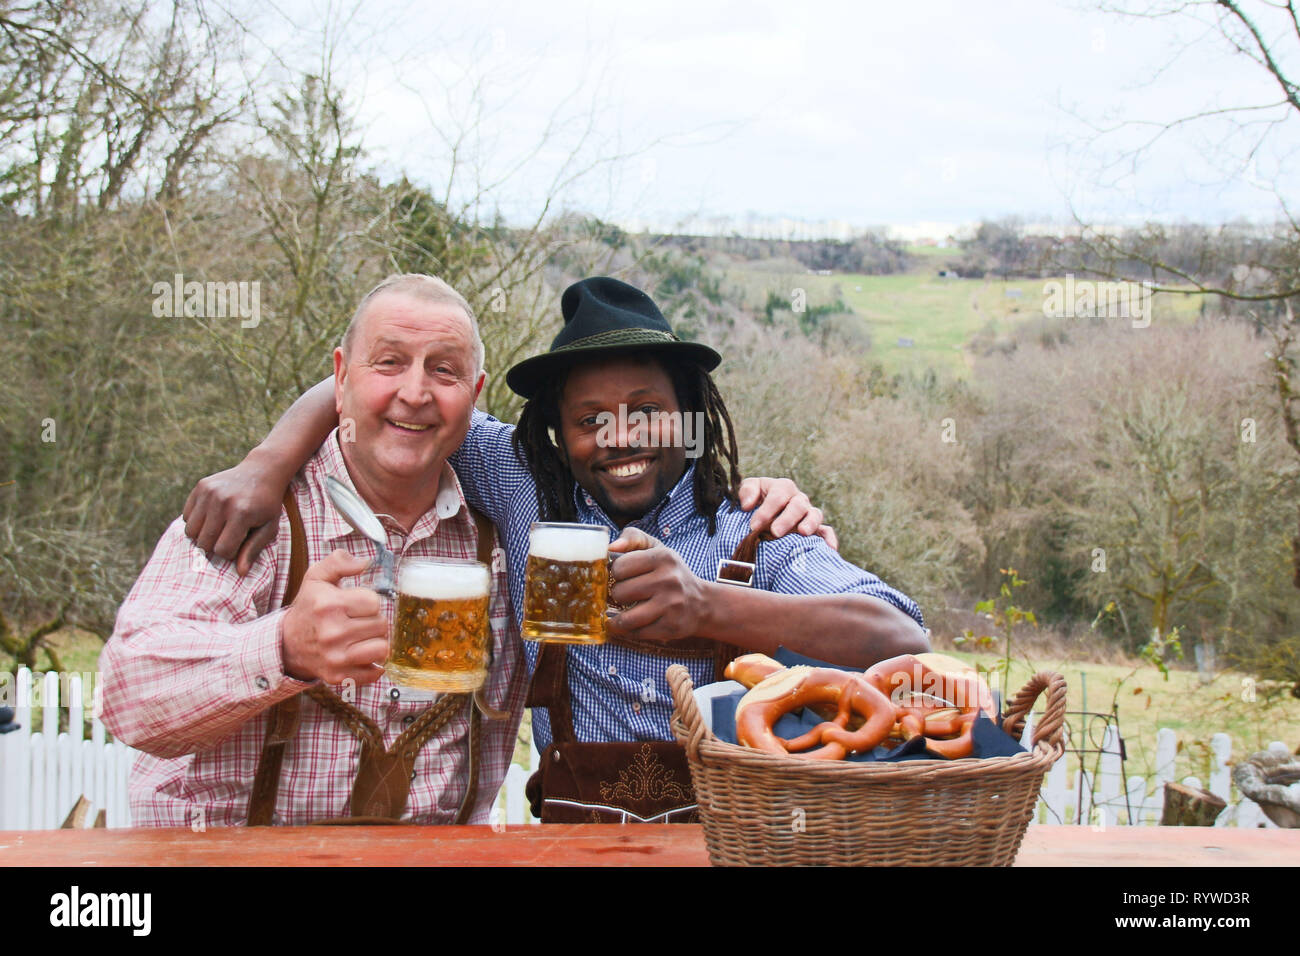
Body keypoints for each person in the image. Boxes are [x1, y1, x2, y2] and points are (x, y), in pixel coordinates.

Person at [183, 276, 930, 822]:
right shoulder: (521, 484)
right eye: (589, 419)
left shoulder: (751, 529)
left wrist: (710, 603)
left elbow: (901, 635)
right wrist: (267, 462)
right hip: (572, 850)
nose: (620, 438)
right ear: (554, 432)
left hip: (729, 853)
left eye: (646, 413)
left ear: (691, 415)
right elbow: (387, 395)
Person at [99, 274, 529, 827]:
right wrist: (281, 648)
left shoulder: (498, 544)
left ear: (475, 393)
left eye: (444, 370)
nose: (416, 392)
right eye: (389, 362)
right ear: (341, 377)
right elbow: (125, 697)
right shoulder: (251, 515)